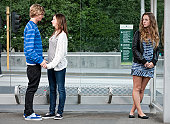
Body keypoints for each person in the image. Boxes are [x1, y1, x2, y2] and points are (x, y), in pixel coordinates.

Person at [129, 12, 159, 119]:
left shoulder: (155, 34)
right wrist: (144, 62)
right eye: (143, 20)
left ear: (151, 21)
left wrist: (153, 62)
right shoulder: (138, 33)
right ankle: (140, 112)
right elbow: (134, 49)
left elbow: (156, 51)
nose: (144, 22)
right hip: (139, 64)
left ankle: (132, 111)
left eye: (146, 20)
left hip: (150, 66)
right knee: (136, 88)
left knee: (142, 90)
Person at [42, 13, 68, 120]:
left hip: (59, 67)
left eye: (54, 19)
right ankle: (51, 111)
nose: (52, 21)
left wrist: (49, 65)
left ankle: (59, 112)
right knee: (52, 89)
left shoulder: (62, 35)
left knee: (60, 89)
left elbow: (59, 55)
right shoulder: (54, 34)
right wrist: (46, 60)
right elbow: (51, 51)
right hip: (51, 66)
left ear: (59, 21)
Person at [24, 4, 46, 121]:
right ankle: (29, 114)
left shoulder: (31, 26)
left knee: (31, 87)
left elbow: (32, 49)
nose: (42, 17)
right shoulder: (32, 28)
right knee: (32, 88)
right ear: (37, 14)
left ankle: (27, 112)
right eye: (42, 14)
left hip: (33, 63)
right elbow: (29, 50)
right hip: (33, 65)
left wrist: (41, 58)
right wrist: (41, 61)